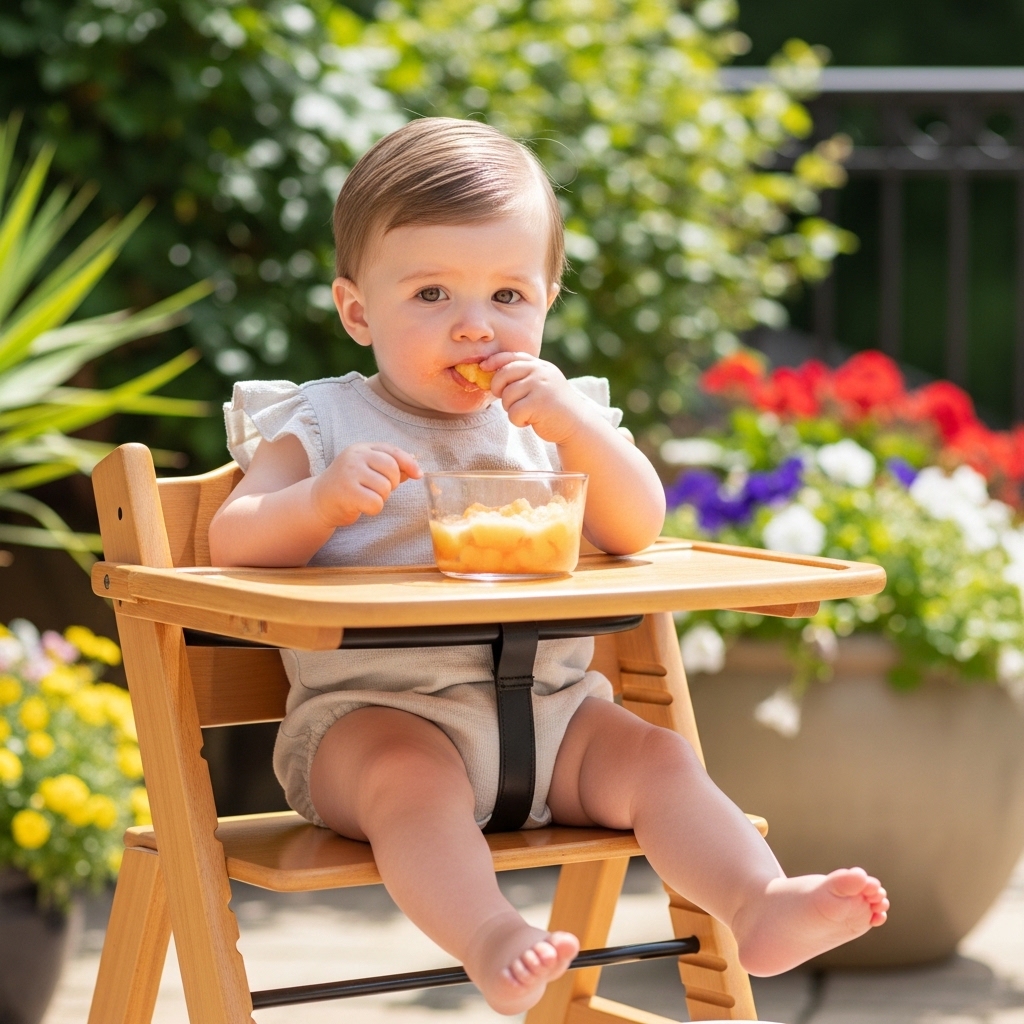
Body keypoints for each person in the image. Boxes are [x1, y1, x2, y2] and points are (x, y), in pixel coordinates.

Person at [208, 117, 888, 1016]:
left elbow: (637, 526)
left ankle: (756, 904)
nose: (474, 327)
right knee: (410, 784)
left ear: (547, 300)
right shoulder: (324, 424)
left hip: (553, 719)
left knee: (659, 760)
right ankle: (491, 937)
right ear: (357, 310)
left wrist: (575, 428)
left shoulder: (553, 417)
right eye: (432, 296)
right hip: (372, 725)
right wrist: (321, 502)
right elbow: (232, 539)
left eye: (507, 296)